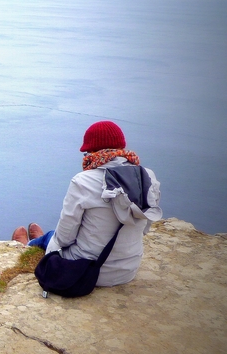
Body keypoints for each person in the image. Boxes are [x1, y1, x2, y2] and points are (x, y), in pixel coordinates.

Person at [12, 121, 162, 287]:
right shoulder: (147, 177)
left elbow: (64, 237)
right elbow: (145, 226)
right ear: (121, 148)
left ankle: (26, 246)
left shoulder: (83, 181)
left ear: (92, 151)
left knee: (51, 236)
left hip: (88, 269)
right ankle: (36, 241)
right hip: (128, 269)